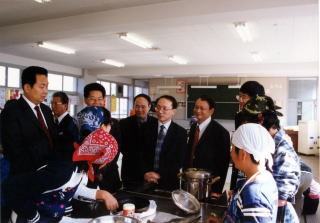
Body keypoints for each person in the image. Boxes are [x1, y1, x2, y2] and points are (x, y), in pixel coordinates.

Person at [3, 118, 119, 223]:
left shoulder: (80, 165)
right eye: (107, 160)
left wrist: (102, 194)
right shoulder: (62, 172)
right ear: (99, 159)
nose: (106, 164)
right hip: (28, 218)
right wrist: (32, 215)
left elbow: (68, 187)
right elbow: (11, 187)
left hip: (52, 216)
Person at [240, 95, 301, 223]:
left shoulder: (283, 151)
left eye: (249, 122)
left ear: (260, 119)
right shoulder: (267, 143)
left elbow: (280, 201)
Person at [0, 66, 57, 175]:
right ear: (27, 87)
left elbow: (53, 139)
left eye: (47, 86)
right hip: (26, 176)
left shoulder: (46, 110)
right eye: (42, 86)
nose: (46, 91)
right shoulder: (11, 112)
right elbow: (13, 150)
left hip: (50, 172)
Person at [221, 123, 278, 223]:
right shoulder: (262, 176)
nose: (231, 154)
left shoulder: (255, 196)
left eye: (233, 149)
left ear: (243, 154)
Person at [185, 95, 230, 194]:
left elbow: (223, 165)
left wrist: (217, 190)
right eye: (196, 107)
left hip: (209, 184)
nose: (197, 110)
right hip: (191, 181)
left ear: (211, 111)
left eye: (202, 108)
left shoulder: (221, 133)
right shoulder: (193, 128)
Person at [81, 82, 122, 193]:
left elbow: (117, 149)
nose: (96, 103)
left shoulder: (114, 123)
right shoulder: (80, 123)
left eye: (100, 99)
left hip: (109, 176)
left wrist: (105, 165)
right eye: (92, 99)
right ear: (85, 100)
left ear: (104, 100)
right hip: (86, 177)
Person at [142, 95, 187, 190]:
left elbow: (179, 161)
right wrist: (146, 173)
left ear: (173, 111)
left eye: (165, 108)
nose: (160, 111)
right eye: (158, 107)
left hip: (169, 181)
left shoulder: (181, 133)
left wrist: (159, 174)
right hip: (145, 179)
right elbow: (140, 154)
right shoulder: (145, 128)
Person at [231, 81, 265, 190]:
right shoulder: (239, 116)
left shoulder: (263, 119)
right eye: (239, 96)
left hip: (257, 167)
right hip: (240, 162)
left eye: (244, 97)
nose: (240, 100)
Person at [119, 94, 157, 188]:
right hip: (130, 169)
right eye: (137, 106)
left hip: (150, 171)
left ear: (149, 107)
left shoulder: (156, 123)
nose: (139, 109)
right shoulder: (123, 123)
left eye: (143, 107)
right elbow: (121, 146)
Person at [51, 91, 79, 161]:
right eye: (52, 103)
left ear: (66, 105)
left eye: (56, 103)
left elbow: (74, 146)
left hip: (66, 162)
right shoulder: (54, 121)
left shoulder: (71, 123)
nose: (53, 106)